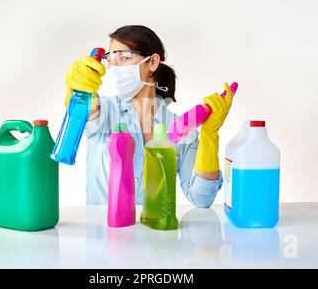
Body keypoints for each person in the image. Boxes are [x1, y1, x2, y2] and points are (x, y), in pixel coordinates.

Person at [64, 25, 233, 206]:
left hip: (155, 231)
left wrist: (210, 136)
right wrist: (80, 91)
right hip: (105, 231)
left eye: (124, 57)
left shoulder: (182, 128)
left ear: (152, 62)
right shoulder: (104, 111)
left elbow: (201, 199)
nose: (113, 67)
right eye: (110, 59)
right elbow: (86, 111)